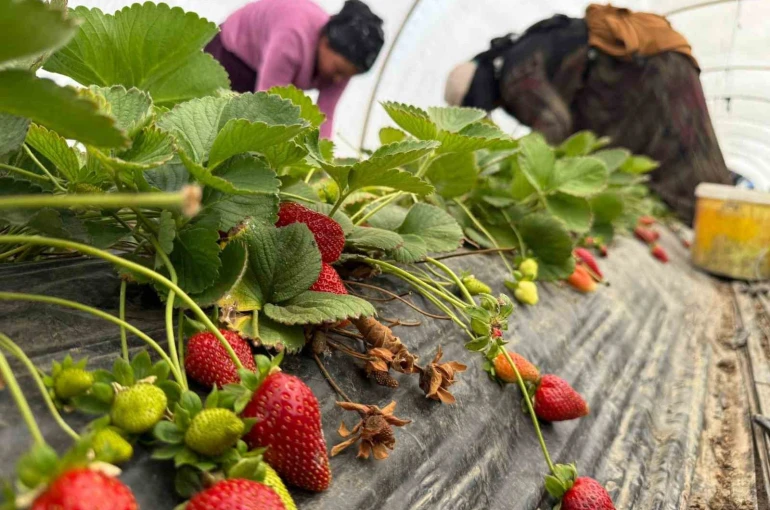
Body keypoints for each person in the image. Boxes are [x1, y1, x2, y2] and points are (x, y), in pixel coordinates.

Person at [445, 4, 733, 225]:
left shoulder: (515, 76)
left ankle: (725, 229)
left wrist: (520, 178)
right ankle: (722, 225)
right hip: (650, 69)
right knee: (668, 157)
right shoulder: (517, 56)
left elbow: (555, 126)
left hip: (653, 73)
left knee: (688, 161)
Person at [206, 0, 384, 139]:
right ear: (325, 42)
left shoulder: (343, 66)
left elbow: (324, 116)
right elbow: (268, 102)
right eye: (338, 70)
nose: (339, 80)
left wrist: (320, 164)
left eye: (347, 76)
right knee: (216, 125)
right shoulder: (292, 38)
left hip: (265, 68)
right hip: (231, 55)